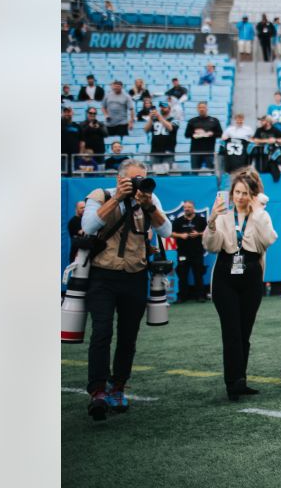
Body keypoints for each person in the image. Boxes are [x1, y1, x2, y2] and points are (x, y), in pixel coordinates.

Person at [80, 160, 172, 420]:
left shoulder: (150, 200)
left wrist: (149, 205)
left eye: (142, 178)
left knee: (128, 336)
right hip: (103, 275)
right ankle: (97, 391)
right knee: (102, 331)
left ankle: (118, 386)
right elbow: (88, 226)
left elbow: (166, 229)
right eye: (134, 179)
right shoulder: (101, 195)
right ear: (120, 179)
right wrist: (118, 198)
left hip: (135, 275)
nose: (139, 183)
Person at [204, 168, 277, 400]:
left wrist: (256, 214)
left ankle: (240, 379)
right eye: (237, 192)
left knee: (244, 331)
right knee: (232, 331)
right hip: (226, 274)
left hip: (251, 273)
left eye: (245, 193)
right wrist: (213, 221)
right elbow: (211, 245)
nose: (240, 197)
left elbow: (269, 239)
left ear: (253, 195)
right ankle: (232, 382)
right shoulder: (224, 214)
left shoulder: (261, 214)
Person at [171, 201, 209, 302]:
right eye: (185, 207)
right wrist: (181, 235)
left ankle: (200, 296)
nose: (187, 209)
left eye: (189, 207)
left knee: (198, 274)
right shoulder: (178, 221)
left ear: (193, 208)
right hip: (183, 253)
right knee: (182, 275)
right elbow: (171, 233)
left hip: (197, 252)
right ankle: (182, 297)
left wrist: (199, 233)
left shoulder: (201, 220)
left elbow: (208, 232)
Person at [144, 102, 178, 167]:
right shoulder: (154, 120)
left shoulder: (174, 120)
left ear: (169, 109)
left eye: (164, 107)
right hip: (155, 152)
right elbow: (146, 130)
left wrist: (159, 117)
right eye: (161, 107)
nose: (162, 108)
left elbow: (170, 128)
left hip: (168, 152)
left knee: (166, 172)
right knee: (154, 173)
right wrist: (150, 119)